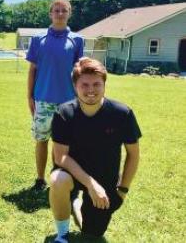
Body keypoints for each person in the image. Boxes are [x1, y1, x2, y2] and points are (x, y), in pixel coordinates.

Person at [49, 57, 141, 242]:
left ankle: (76, 202)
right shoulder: (63, 113)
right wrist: (91, 185)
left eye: (96, 84)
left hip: (105, 178)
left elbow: (133, 154)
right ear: (75, 86)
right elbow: (61, 157)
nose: (91, 90)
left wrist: (122, 189)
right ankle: (62, 235)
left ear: (104, 84)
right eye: (85, 84)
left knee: (92, 234)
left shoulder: (122, 113)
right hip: (73, 174)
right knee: (58, 179)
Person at [26, 0, 84, 190]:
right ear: (50, 13)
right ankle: (39, 179)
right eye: (56, 10)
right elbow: (33, 70)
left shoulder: (77, 40)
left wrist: (81, 99)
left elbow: (79, 72)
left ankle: (57, 178)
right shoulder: (38, 39)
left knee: (63, 143)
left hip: (68, 102)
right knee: (41, 140)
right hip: (42, 99)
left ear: (69, 13)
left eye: (64, 11)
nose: (60, 14)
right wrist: (29, 96)